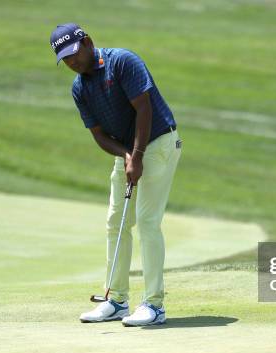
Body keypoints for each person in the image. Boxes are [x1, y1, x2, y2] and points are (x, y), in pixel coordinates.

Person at [50, 23, 181, 326]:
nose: (72, 62)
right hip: (127, 151)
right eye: (65, 59)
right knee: (116, 222)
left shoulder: (122, 62)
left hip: (159, 141)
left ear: (87, 42)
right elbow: (98, 134)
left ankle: (154, 305)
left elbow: (144, 110)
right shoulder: (79, 88)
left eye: (74, 54)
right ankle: (117, 300)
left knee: (147, 222)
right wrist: (125, 156)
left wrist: (136, 156)